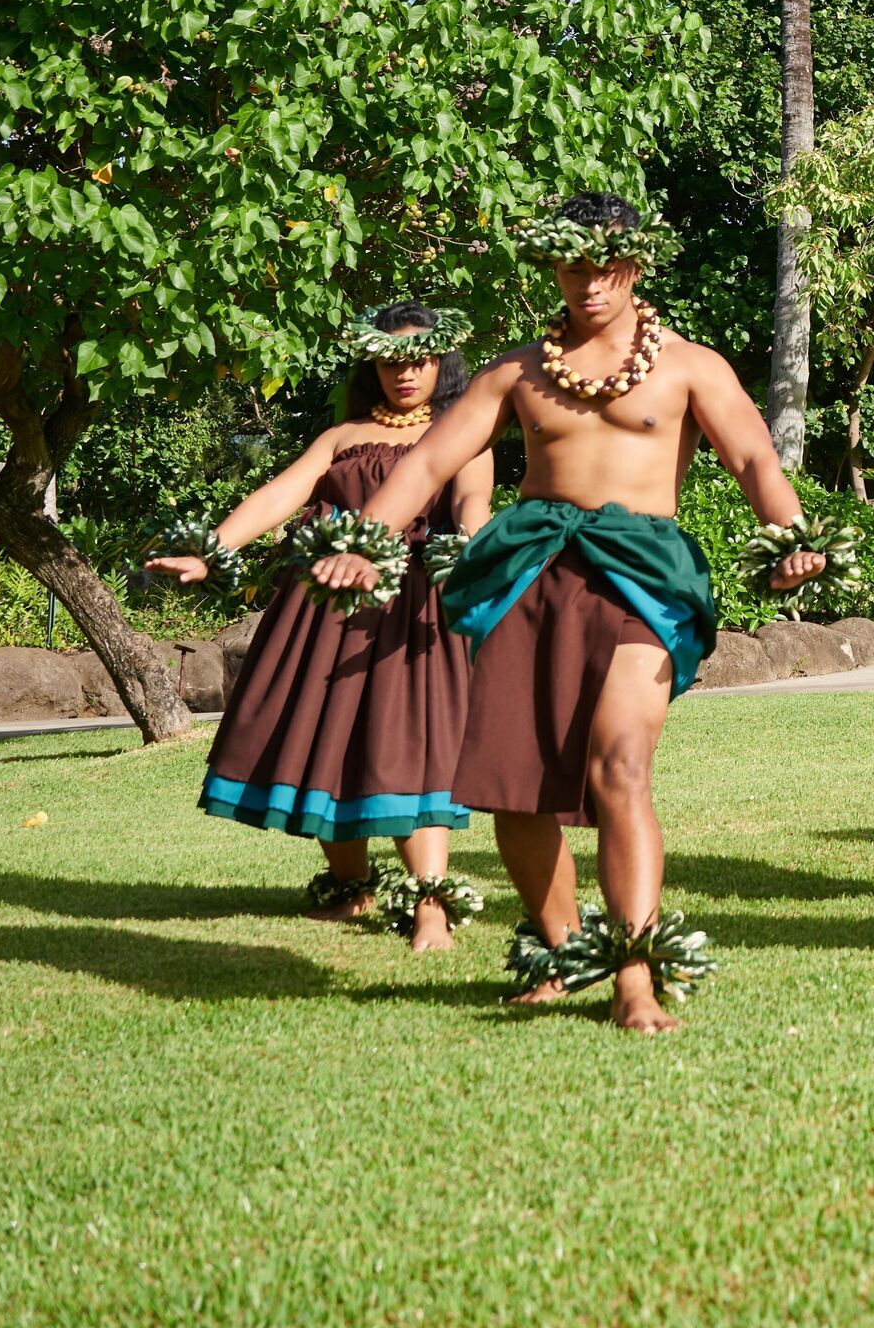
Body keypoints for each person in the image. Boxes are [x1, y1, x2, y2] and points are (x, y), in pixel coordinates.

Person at [319, 194, 821, 1033]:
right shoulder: (516, 371)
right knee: (515, 791)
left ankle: (634, 971)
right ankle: (561, 948)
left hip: (642, 575)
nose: (590, 281)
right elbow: (433, 459)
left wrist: (792, 540)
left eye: (608, 263)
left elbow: (754, 460)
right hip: (531, 573)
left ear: (638, 263)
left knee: (619, 764)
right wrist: (368, 542)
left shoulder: (689, 365)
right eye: (573, 263)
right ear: (552, 265)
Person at [151, 303, 496, 949]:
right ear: (372, 363)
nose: (405, 372)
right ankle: (352, 889)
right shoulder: (342, 436)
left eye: (420, 359)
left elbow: (474, 499)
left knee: (408, 748)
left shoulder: (461, 433)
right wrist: (211, 549)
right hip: (323, 609)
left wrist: (476, 540)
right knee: (331, 743)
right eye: (391, 359)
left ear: (443, 361)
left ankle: (429, 906)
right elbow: (280, 494)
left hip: (409, 611)